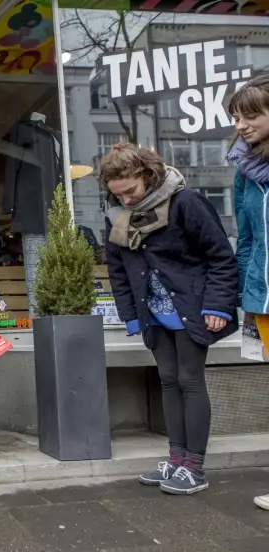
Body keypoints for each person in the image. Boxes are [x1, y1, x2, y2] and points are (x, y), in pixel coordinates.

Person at [101, 142, 239, 495]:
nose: (127, 201)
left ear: (146, 175)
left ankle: (195, 467)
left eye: (130, 191)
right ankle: (176, 461)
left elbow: (221, 256)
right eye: (118, 195)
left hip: (194, 310)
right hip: (154, 313)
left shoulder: (186, 202)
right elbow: (118, 271)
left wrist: (218, 307)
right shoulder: (117, 216)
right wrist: (130, 316)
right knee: (168, 380)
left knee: (190, 381)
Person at [227, 74, 269, 510]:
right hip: (265, 299)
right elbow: (248, 239)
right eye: (236, 116)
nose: (240, 124)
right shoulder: (245, 172)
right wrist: (245, 296)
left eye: (251, 115)